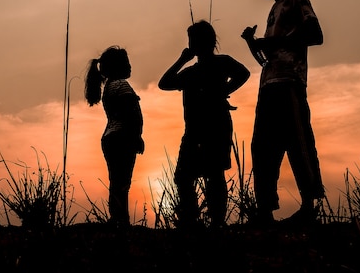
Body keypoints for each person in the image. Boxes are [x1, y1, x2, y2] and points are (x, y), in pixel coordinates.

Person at [241, 0, 324, 226]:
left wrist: (271, 41)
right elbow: (271, 53)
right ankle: (265, 209)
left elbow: (315, 33)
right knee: (263, 147)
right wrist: (255, 44)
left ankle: (310, 206)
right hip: (269, 85)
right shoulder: (274, 9)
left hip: (289, 82)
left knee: (298, 143)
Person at [159, 20, 250, 229]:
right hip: (193, 130)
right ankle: (192, 219)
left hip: (216, 126)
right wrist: (183, 59)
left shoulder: (222, 62)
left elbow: (243, 73)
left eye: (194, 40)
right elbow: (164, 84)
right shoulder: (191, 72)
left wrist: (224, 90)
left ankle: (215, 222)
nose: (192, 44)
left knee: (214, 174)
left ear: (208, 41)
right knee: (184, 176)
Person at [84, 46, 145, 228]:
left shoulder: (110, 85)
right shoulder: (120, 84)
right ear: (118, 66)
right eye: (126, 62)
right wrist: (136, 136)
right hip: (122, 136)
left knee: (117, 180)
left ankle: (118, 218)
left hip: (112, 137)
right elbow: (130, 112)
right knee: (122, 181)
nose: (130, 66)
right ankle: (120, 220)